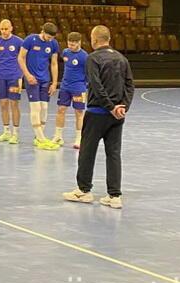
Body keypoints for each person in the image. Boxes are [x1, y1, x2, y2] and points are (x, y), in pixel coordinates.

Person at [64, 26, 134, 209]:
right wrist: (122, 108)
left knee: (87, 152)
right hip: (117, 116)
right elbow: (130, 86)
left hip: (96, 114)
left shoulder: (93, 58)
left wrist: (110, 107)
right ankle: (114, 195)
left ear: (94, 39)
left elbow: (96, 86)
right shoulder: (122, 58)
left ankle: (84, 191)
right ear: (109, 39)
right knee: (114, 154)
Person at [18, 22, 60, 150]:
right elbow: (20, 58)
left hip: (45, 79)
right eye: (48, 37)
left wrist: (54, 82)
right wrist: (27, 75)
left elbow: (53, 64)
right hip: (32, 80)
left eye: (52, 38)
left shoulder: (53, 44)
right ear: (42, 31)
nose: (50, 40)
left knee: (45, 108)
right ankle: (41, 139)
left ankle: (38, 137)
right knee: (35, 108)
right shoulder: (30, 40)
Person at [0, 19, 24, 144]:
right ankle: (6, 131)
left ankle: (16, 133)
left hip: (15, 76)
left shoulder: (19, 42)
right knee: (3, 104)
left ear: (11, 28)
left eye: (6, 29)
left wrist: (19, 72)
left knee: (14, 103)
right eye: (2, 29)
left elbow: (23, 58)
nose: (4, 31)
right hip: (1, 77)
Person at [53, 32, 88, 149]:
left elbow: (88, 74)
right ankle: (58, 136)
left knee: (79, 112)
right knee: (61, 109)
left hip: (78, 88)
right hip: (65, 86)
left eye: (73, 44)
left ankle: (79, 138)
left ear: (79, 43)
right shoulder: (65, 52)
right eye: (69, 43)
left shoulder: (85, 57)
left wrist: (84, 85)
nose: (71, 46)